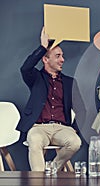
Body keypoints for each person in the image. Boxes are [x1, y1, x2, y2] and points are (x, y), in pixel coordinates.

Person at [16, 27, 85, 171]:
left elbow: (82, 110)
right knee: (34, 140)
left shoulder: (70, 82)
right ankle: (39, 180)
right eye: (58, 56)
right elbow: (25, 68)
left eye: (62, 56)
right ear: (45, 59)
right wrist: (43, 47)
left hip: (62, 128)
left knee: (75, 142)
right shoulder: (35, 78)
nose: (62, 60)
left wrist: (75, 129)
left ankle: (52, 169)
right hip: (39, 127)